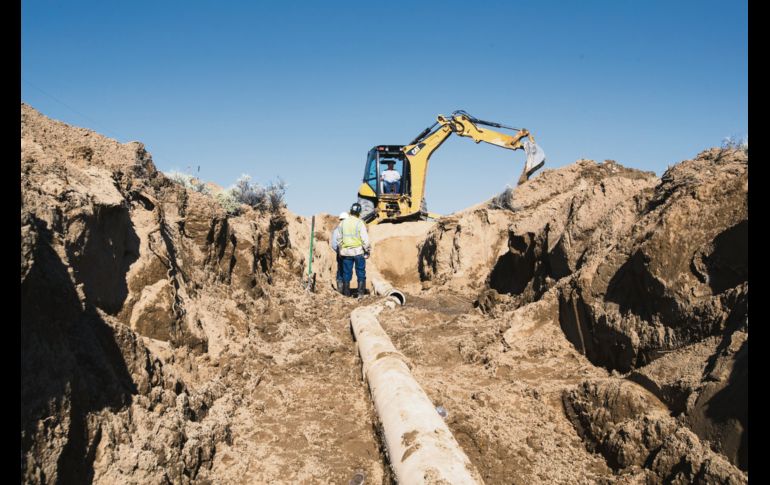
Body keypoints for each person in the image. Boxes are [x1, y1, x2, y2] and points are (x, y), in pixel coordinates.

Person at [335, 202, 371, 297]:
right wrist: (367, 250)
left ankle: (346, 294)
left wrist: (341, 248)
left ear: (350, 211)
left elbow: (338, 238)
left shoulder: (342, 223)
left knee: (346, 273)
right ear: (359, 212)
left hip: (346, 253)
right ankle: (360, 293)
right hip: (358, 252)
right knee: (360, 272)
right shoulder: (360, 223)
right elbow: (365, 239)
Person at [330, 212, 348, 293]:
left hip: (340, 253)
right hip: (348, 253)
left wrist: (338, 251)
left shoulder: (337, 230)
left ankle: (340, 289)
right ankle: (346, 290)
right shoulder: (349, 230)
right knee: (347, 270)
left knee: (340, 270)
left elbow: (334, 244)